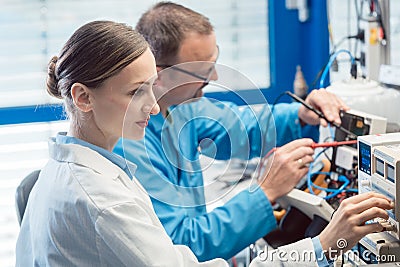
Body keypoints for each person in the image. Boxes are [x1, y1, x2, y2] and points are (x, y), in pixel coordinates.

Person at [14, 19, 393, 267]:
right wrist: (322, 244)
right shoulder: (104, 197)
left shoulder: (89, 158)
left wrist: (300, 114)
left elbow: (240, 124)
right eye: (137, 91)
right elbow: (185, 252)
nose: (152, 103)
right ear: (82, 97)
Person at [113, 1, 393, 263]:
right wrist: (265, 191)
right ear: (160, 76)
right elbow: (183, 246)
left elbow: (240, 125)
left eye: (215, 61)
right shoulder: (131, 143)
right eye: (203, 71)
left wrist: (301, 112)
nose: (214, 78)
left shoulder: (177, 107)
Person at [15, 20, 228, 266]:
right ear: (83, 98)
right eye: (136, 92)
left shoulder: (60, 169)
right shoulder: (104, 202)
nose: (155, 107)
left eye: (151, 88)